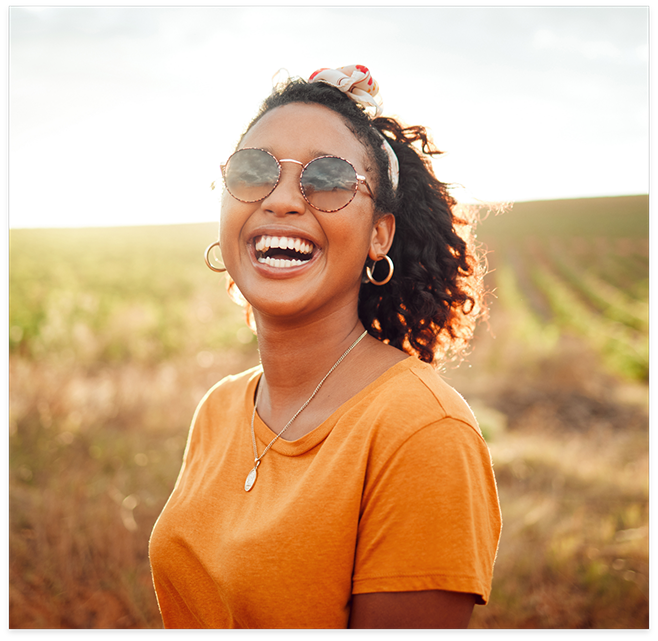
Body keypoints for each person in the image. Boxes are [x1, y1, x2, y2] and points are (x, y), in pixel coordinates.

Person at [149, 65, 501, 629]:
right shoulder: (220, 408)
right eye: (253, 170)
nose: (282, 200)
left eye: (329, 179)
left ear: (379, 234)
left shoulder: (422, 434)